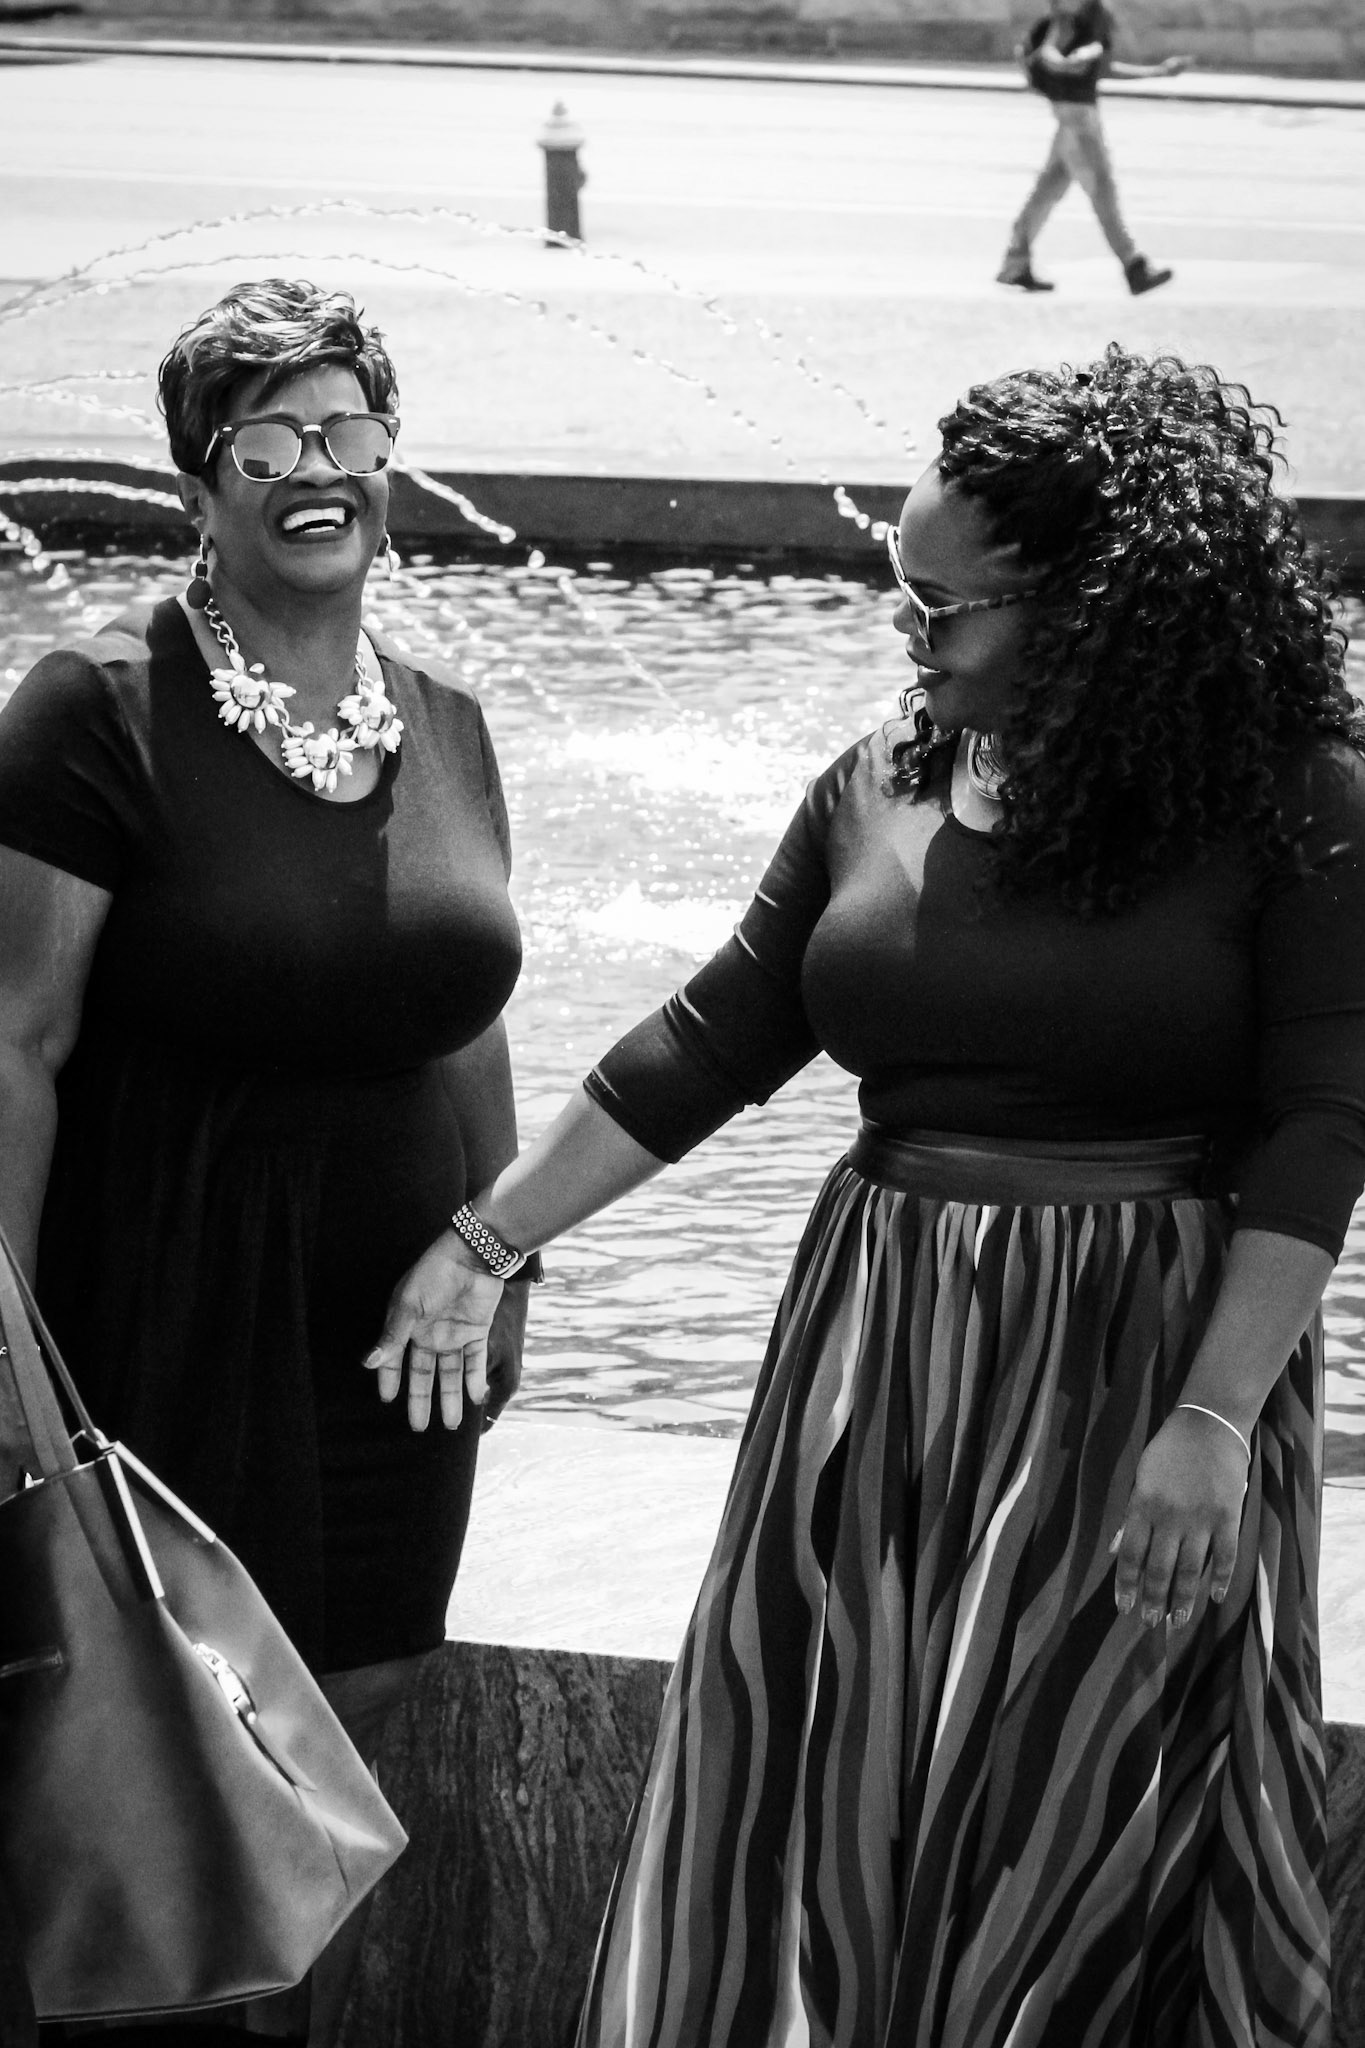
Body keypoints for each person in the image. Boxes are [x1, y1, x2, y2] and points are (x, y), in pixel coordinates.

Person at [366, 344, 1365, 2046]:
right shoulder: (879, 777)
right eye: (901, 589)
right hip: (875, 1353)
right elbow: (707, 1041)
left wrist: (1211, 1415)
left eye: (945, 606)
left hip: (1136, 1363)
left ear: (1093, 606)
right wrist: (483, 1240)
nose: (909, 630)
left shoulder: (1293, 798)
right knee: (816, 1791)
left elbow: (1324, 1125)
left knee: (1072, 1820)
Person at [0, 278, 533, 2046]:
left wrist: (506, 1252)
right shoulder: (94, 706)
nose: (318, 468)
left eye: (347, 427)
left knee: (352, 1709)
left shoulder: (447, 718)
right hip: (168, 1300)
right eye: (267, 440)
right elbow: (16, 1042)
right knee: (179, 1744)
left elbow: (468, 1010)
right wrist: (8, 1362)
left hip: (395, 1339)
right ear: (197, 482)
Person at [998, 0, 1190, 295]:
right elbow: (1054, 61)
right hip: (1080, 126)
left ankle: (1015, 263)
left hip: (1073, 123)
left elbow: (1100, 68)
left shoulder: (1085, 25)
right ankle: (1133, 265)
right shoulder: (1056, 26)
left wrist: (1157, 72)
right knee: (1102, 194)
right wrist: (1058, 58)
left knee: (1046, 193)